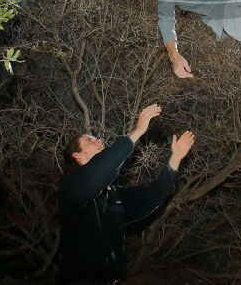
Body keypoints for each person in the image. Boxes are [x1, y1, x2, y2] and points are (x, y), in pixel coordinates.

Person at [57, 104, 195, 284]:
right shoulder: (71, 186)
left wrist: (175, 159)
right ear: (77, 155)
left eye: (98, 138)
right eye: (90, 141)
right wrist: (137, 132)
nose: (99, 141)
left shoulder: (114, 195)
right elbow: (98, 173)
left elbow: (152, 197)